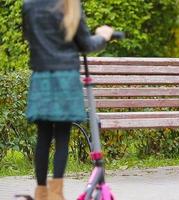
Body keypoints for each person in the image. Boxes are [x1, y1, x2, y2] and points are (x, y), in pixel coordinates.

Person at [22, 0, 114, 199]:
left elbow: (28, 37)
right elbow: (86, 45)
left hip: (41, 77)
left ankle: (41, 193)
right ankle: (57, 194)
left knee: (43, 137)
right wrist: (103, 36)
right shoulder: (69, 5)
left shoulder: (29, 5)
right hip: (66, 78)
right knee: (62, 136)